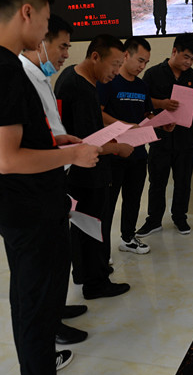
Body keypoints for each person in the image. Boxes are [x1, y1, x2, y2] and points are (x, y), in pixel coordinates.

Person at [0, 0, 101, 375]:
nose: (45, 32)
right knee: (37, 313)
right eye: (45, 21)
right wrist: (74, 154)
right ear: (27, 12)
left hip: (20, 207)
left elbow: (13, 139)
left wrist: (54, 142)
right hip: (30, 211)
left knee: (30, 304)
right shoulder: (4, 69)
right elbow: (7, 158)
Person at [19, 14, 89, 346]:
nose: (65, 54)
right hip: (39, 183)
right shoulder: (21, 77)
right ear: (40, 42)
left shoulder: (41, 76)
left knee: (60, 256)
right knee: (45, 264)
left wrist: (62, 141)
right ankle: (51, 326)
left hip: (57, 173)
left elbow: (46, 128)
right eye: (62, 46)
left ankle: (57, 309)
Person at [55, 35, 134, 300]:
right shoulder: (77, 87)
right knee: (92, 226)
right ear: (95, 56)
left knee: (84, 226)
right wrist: (117, 148)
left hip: (83, 170)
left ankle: (85, 273)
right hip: (85, 172)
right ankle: (96, 283)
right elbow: (85, 143)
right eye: (114, 65)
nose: (116, 72)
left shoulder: (78, 78)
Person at [136, 33, 193, 238]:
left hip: (186, 140)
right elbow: (143, 101)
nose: (189, 62)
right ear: (174, 51)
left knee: (183, 182)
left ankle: (180, 217)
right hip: (159, 138)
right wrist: (162, 104)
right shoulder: (153, 74)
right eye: (186, 56)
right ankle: (153, 220)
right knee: (157, 182)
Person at [97, 37, 156, 255]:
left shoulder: (142, 86)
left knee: (133, 199)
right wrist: (123, 125)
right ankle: (102, 250)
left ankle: (128, 238)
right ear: (126, 55)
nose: (142, 66)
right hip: (113, 153)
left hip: (138, 153)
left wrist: (159, 121)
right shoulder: (109, 81)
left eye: (146, 62)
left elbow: (147, 113)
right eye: (140, 60)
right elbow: (98, 113)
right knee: (108, 203)